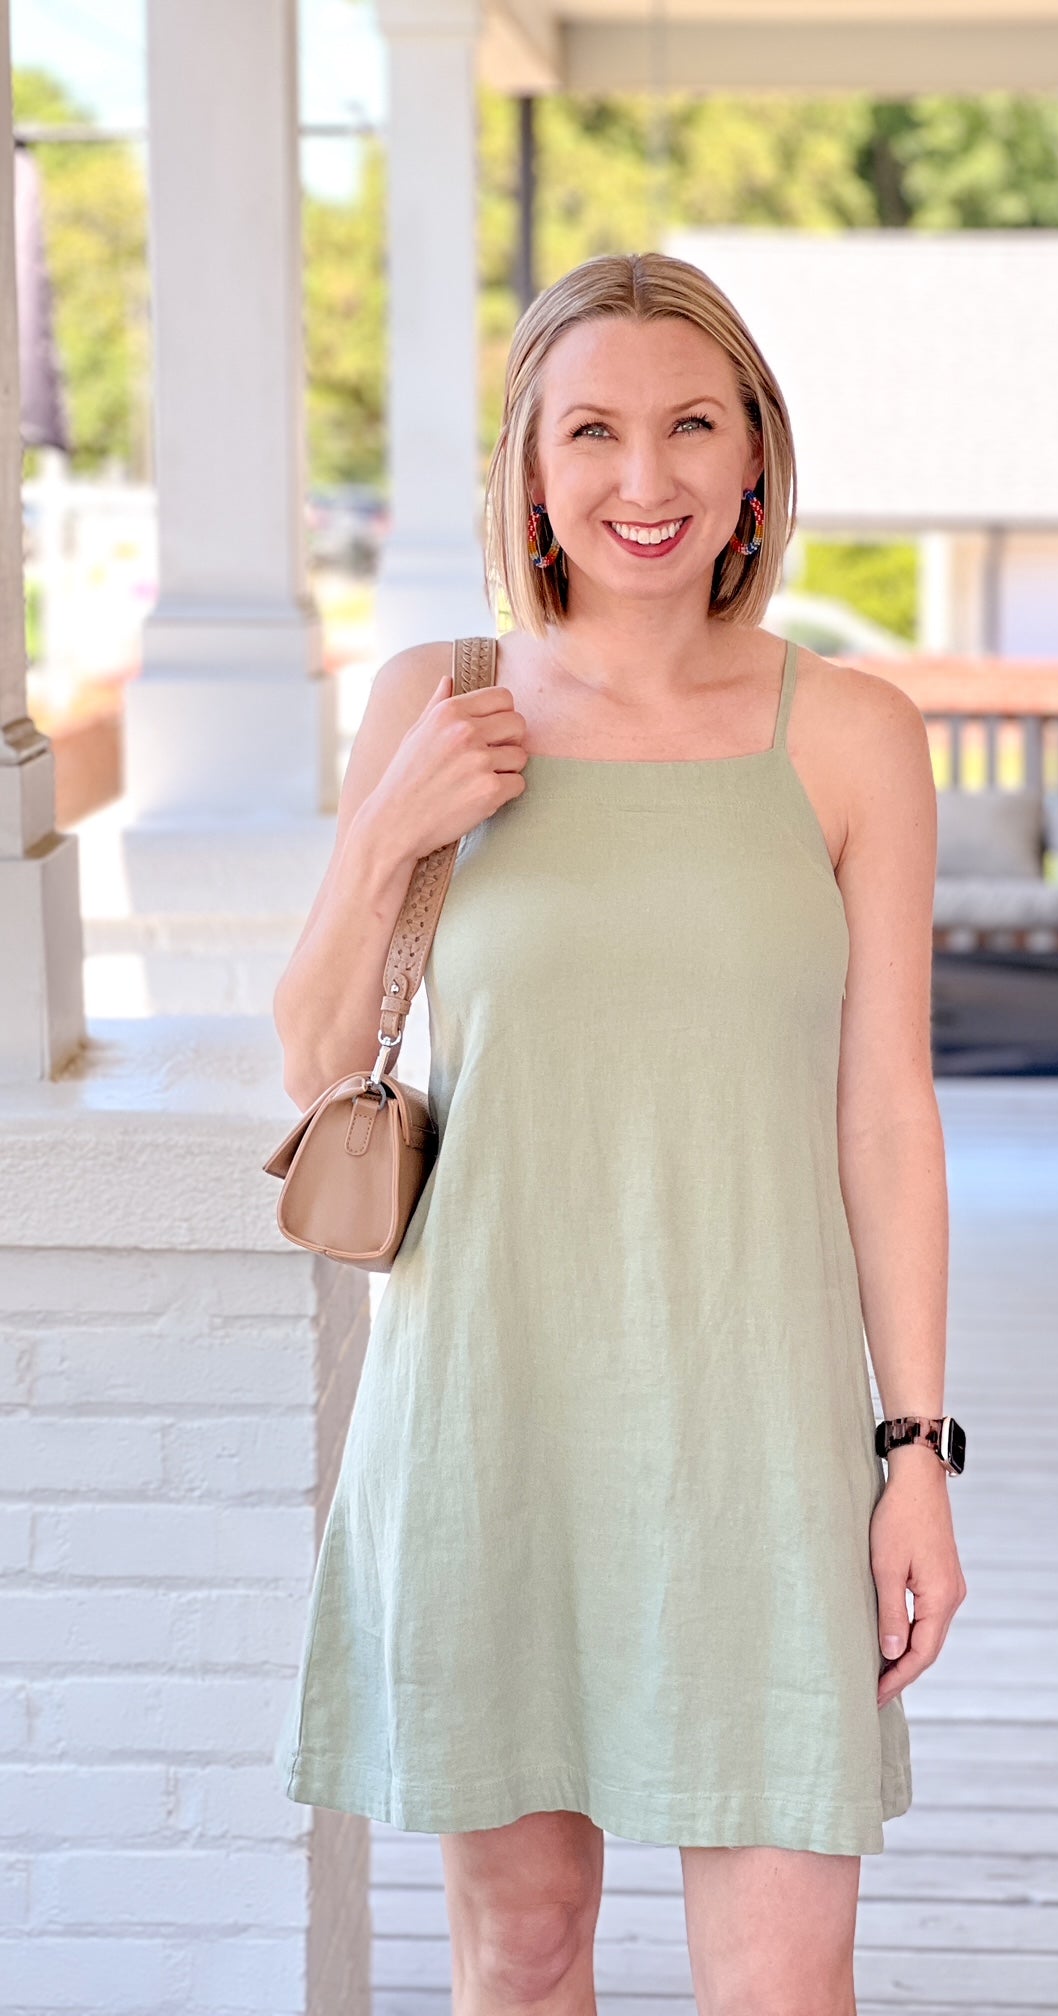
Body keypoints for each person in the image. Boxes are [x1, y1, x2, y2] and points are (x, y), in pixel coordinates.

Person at [272, 250, 965, 2016]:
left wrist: (912, 1455)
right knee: (521, 1954)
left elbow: (885, 1116)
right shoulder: (433, 699)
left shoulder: (854, 736)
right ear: (528, 468)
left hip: (759, 1429)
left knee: (786, 1983)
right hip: (490, 1420)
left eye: (687, 428)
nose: (640, 479)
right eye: (591, 430)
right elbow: (311, 1060)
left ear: (753, 464)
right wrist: (383, 838)